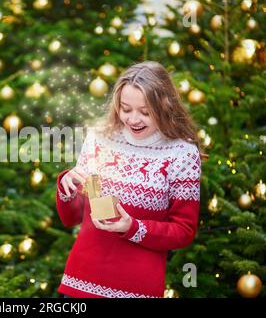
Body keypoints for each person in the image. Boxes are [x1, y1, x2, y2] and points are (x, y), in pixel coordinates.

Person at [56, 61, 204, 298]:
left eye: (145, 112)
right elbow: (71, 217)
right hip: (80, 284)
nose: (134, 119)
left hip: (137, 289)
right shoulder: (99, 138)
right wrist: (68, 188)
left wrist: (133, 227)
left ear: (164, 106)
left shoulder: (181, 154)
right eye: (126, 109)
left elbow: (183, 230)